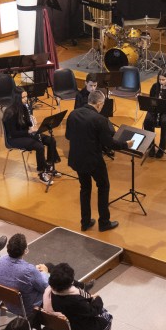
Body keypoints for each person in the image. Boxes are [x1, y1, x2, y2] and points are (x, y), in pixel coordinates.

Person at [65, 89, 127, 233]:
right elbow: (109, 144)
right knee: (103, 186)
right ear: (99, 104)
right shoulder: (99, 119)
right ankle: (104, 222)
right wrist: (126, 145)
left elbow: (68, 136)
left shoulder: (73, 114)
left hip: (77, 159)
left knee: (85, 189)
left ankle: (85, 222)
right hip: (93, 160)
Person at [42, 262, 121, 330]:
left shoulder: (48, 292)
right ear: (70, 282)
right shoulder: (75, 301)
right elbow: (93, 311)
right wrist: (97, 299)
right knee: (105, 316)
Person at [2, 87, 61, 185]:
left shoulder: (24, 107)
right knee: (39, 146)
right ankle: (41, 173)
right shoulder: (10, 112)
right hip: (14, 139)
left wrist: (32, 122)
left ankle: (48, 166)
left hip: (25, 133)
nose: (26, 99)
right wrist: (29, 131)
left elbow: (27, 125)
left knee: (51, 140)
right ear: (16, 98)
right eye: (23, 97)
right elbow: (13, 133)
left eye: (26, 96)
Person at [0, 233, 49, 315]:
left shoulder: (1, 260)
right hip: (27, 308)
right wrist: (44, 272)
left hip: (7, 302)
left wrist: (34, 271)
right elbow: (45, 287)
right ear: (24, 251)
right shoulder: (29, 270)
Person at [142, 70, 166, 158]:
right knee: (147, 121)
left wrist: (165, 104)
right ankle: (151, 146)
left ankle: (162, 148)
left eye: (163, 80)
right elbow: (151, 99)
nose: (161, 82)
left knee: (165, 122)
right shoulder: (155, 87)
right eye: (160, 80)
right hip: (155, 109)